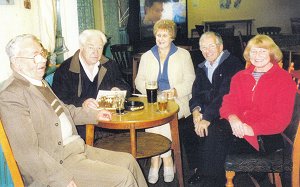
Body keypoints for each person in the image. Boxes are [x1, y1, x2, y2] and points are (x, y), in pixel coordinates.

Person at [0, 34, 147, 187]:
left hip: (76, 148)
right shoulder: (11, 95)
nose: (43, 60)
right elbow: (27, 152)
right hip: (57, 162)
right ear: (16, 63)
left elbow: (65, 111)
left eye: (42, 53)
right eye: (34, 56)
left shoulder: (39, 82)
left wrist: (94, 115)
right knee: (123, 177)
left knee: (129, 161)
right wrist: (59, 178)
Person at [188, 34, 297, 186]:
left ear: (272, 53)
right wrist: (233, 118)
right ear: (248, 54)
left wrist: (251, 129)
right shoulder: (241, 76)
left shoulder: (283, 80)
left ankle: (210, 180)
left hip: (265, 136)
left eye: (262, 51)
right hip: (238, 130)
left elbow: (281, 120)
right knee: (213, 132)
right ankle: (213, 181)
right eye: (253, 51)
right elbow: (228, 102)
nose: (257, 56)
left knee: (215, 143)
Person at [135, 19, 195, 184]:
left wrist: (175, 91)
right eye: (158, 35)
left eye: (164, 35)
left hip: (178, 99)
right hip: (153, 99)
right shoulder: (147, 56)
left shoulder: (183, 55)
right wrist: (151, 91)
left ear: (172, 37)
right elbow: (139, 80)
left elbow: (191, 80)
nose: (160, 39)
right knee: (156, 113)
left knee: (161, 116)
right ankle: (165, 158)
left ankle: (158, 160)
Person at [180, 31, 243, 177]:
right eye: (203, 47)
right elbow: (196, 92)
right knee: (186, 126)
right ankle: (198, 169)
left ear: (220, 47)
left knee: (212, 132)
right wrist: (196, 111)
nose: (207, 51)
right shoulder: (202, 67)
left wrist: (206, 118)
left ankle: (213, 176)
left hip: (228, 113)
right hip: (208, 111)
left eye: (211, 46)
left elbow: (225, 95)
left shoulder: (232, 63)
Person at [52, 29, 131, 141]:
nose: (96, 52)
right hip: (82, 124)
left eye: (99, 48)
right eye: (91, 47)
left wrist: (118, 89)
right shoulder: (65, 69)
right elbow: (60, 100)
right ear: (81, 47)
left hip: (109, 120)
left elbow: (126, 87)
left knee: (132, 136)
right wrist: (82, 102)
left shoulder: (110, 65)